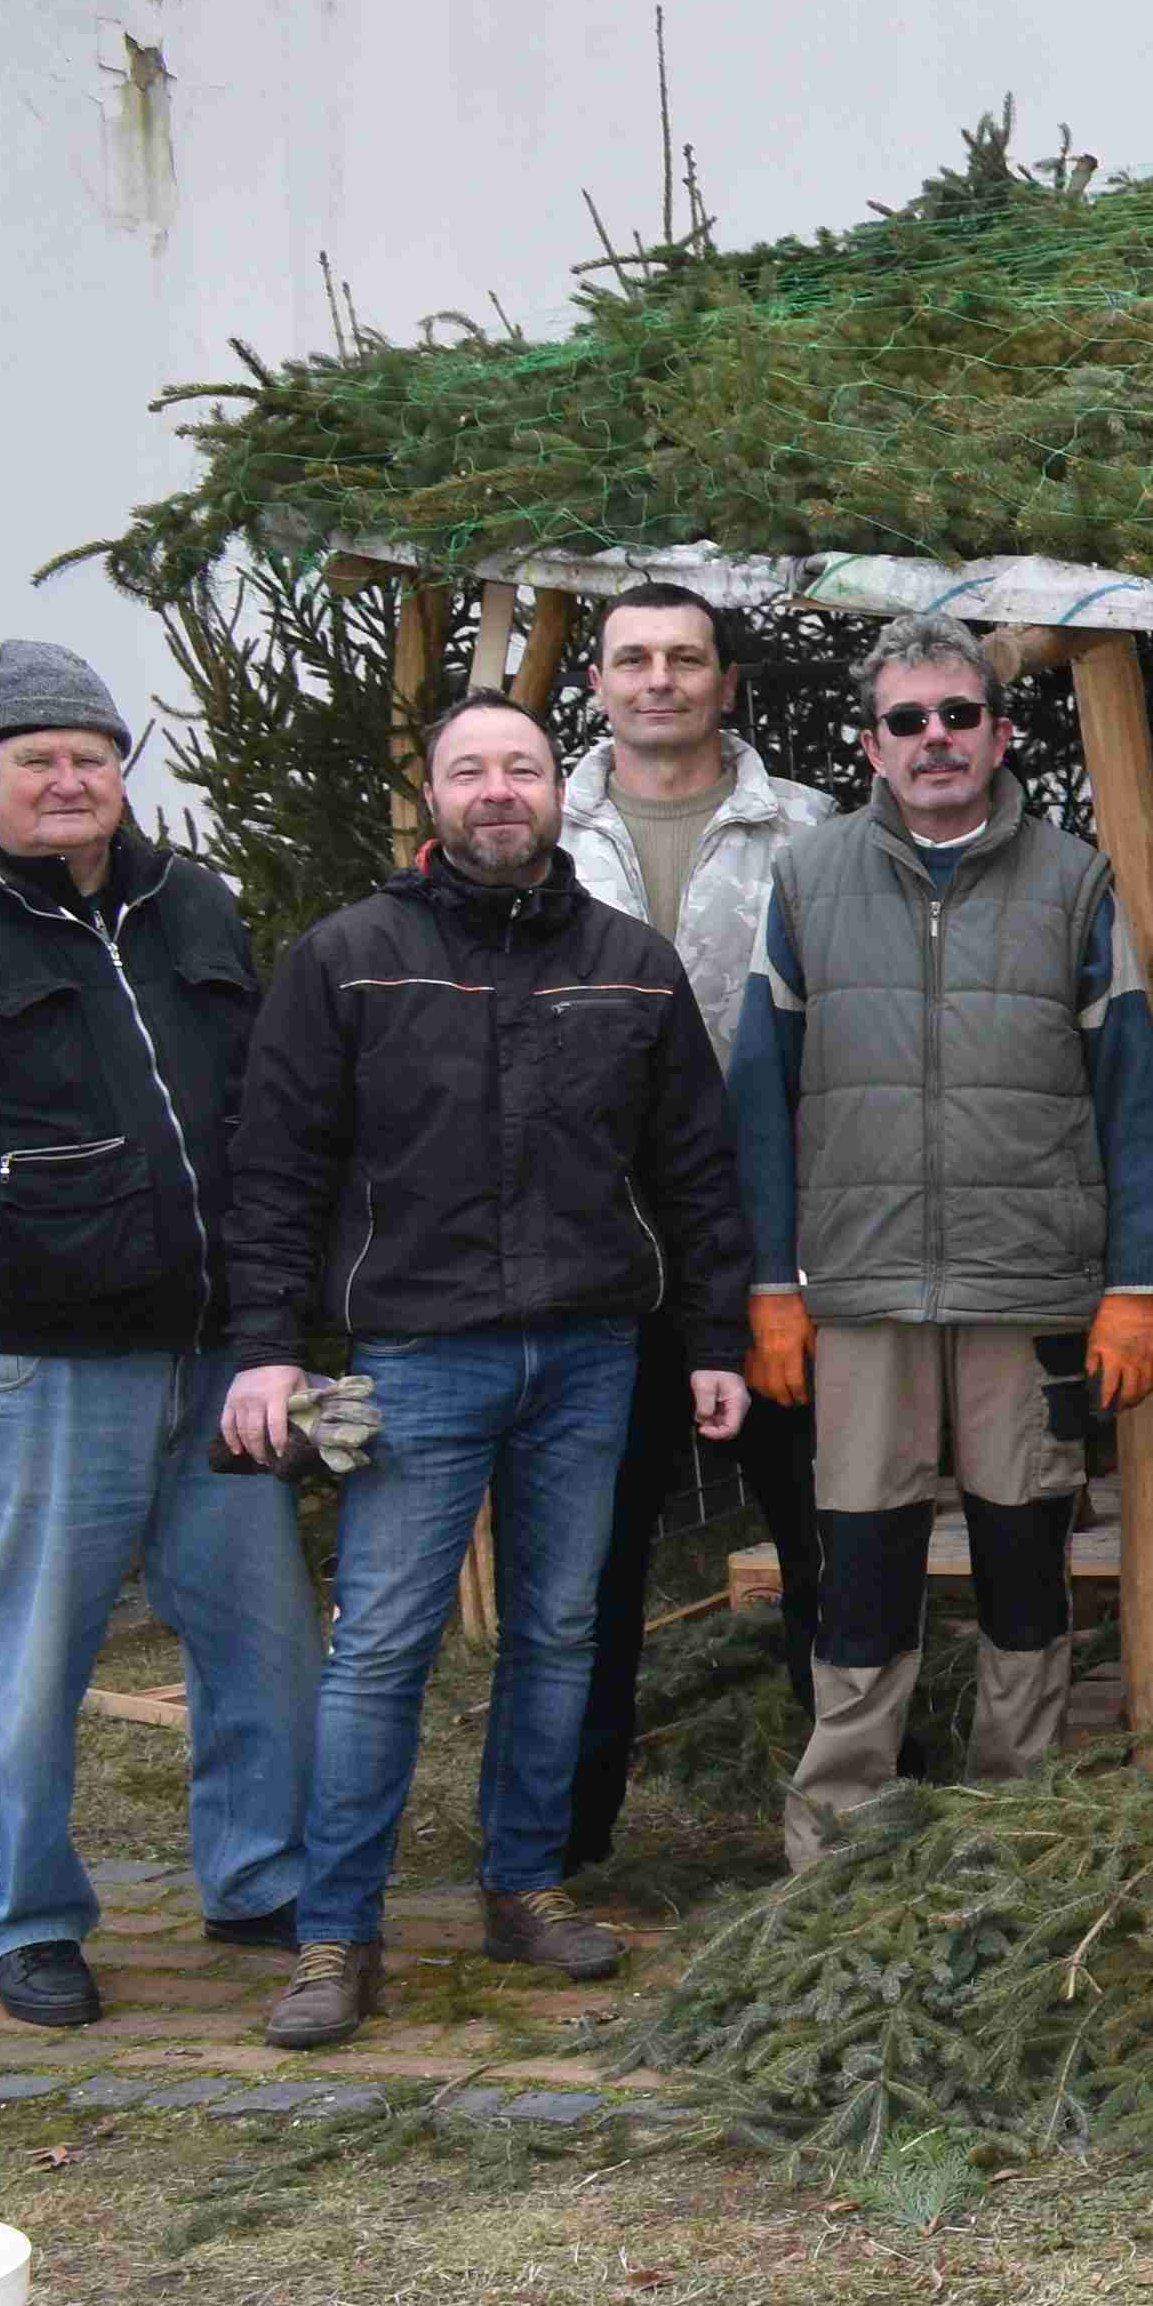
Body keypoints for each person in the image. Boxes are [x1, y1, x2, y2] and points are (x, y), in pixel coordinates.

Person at [213, 695, 751, 2049]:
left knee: (560, 1631)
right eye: (471, 770)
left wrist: (715, 1340)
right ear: (434, 796)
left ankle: (522, 1886)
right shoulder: (348, 959)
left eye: (522, 766)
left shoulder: (630, 963)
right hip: (416, 1357)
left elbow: (695, 1170)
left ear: (558, 790)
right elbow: (275, 1169)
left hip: (591, 1354)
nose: (498, 789)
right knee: (381, 1644)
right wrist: (266, 1349)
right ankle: (338, 1934)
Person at [0, 639, 319, 2024]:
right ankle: (29, 1919)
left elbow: (258, 1096)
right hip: (49, 1372)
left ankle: (259, 1877)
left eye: (91, 756)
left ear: (120, 773)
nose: (67, 780)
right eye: (36, 759)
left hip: (215, 1356)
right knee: (31, 1654)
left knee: (263, 1641)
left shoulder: (193, 904)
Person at [729, 625, 1153, 1866]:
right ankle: (838, 1828)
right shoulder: (809, 880)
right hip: (861, 1287)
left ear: (999, 732)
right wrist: (770, 1285)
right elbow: (760, 1094)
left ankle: (1015, 1822)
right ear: (869, 745)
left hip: (1028, 1282)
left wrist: (1134, 1287)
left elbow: (1132, 1101)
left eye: (957, 715)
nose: (933, 738)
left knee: (1025, 1550)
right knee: (863, 1554)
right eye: (907, 720)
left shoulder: (1074, 882)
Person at [555, 579, 839, 1867]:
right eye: (633, 659)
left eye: (684, 657)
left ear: (726, 681)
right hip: (599, 1257)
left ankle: (846, 1821)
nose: (658, 679)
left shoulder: (815, 833)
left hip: (782, 1242)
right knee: (594, 1552)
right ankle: (566, 1845)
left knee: (827, 1534)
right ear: (598, 683)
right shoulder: (539, 830)